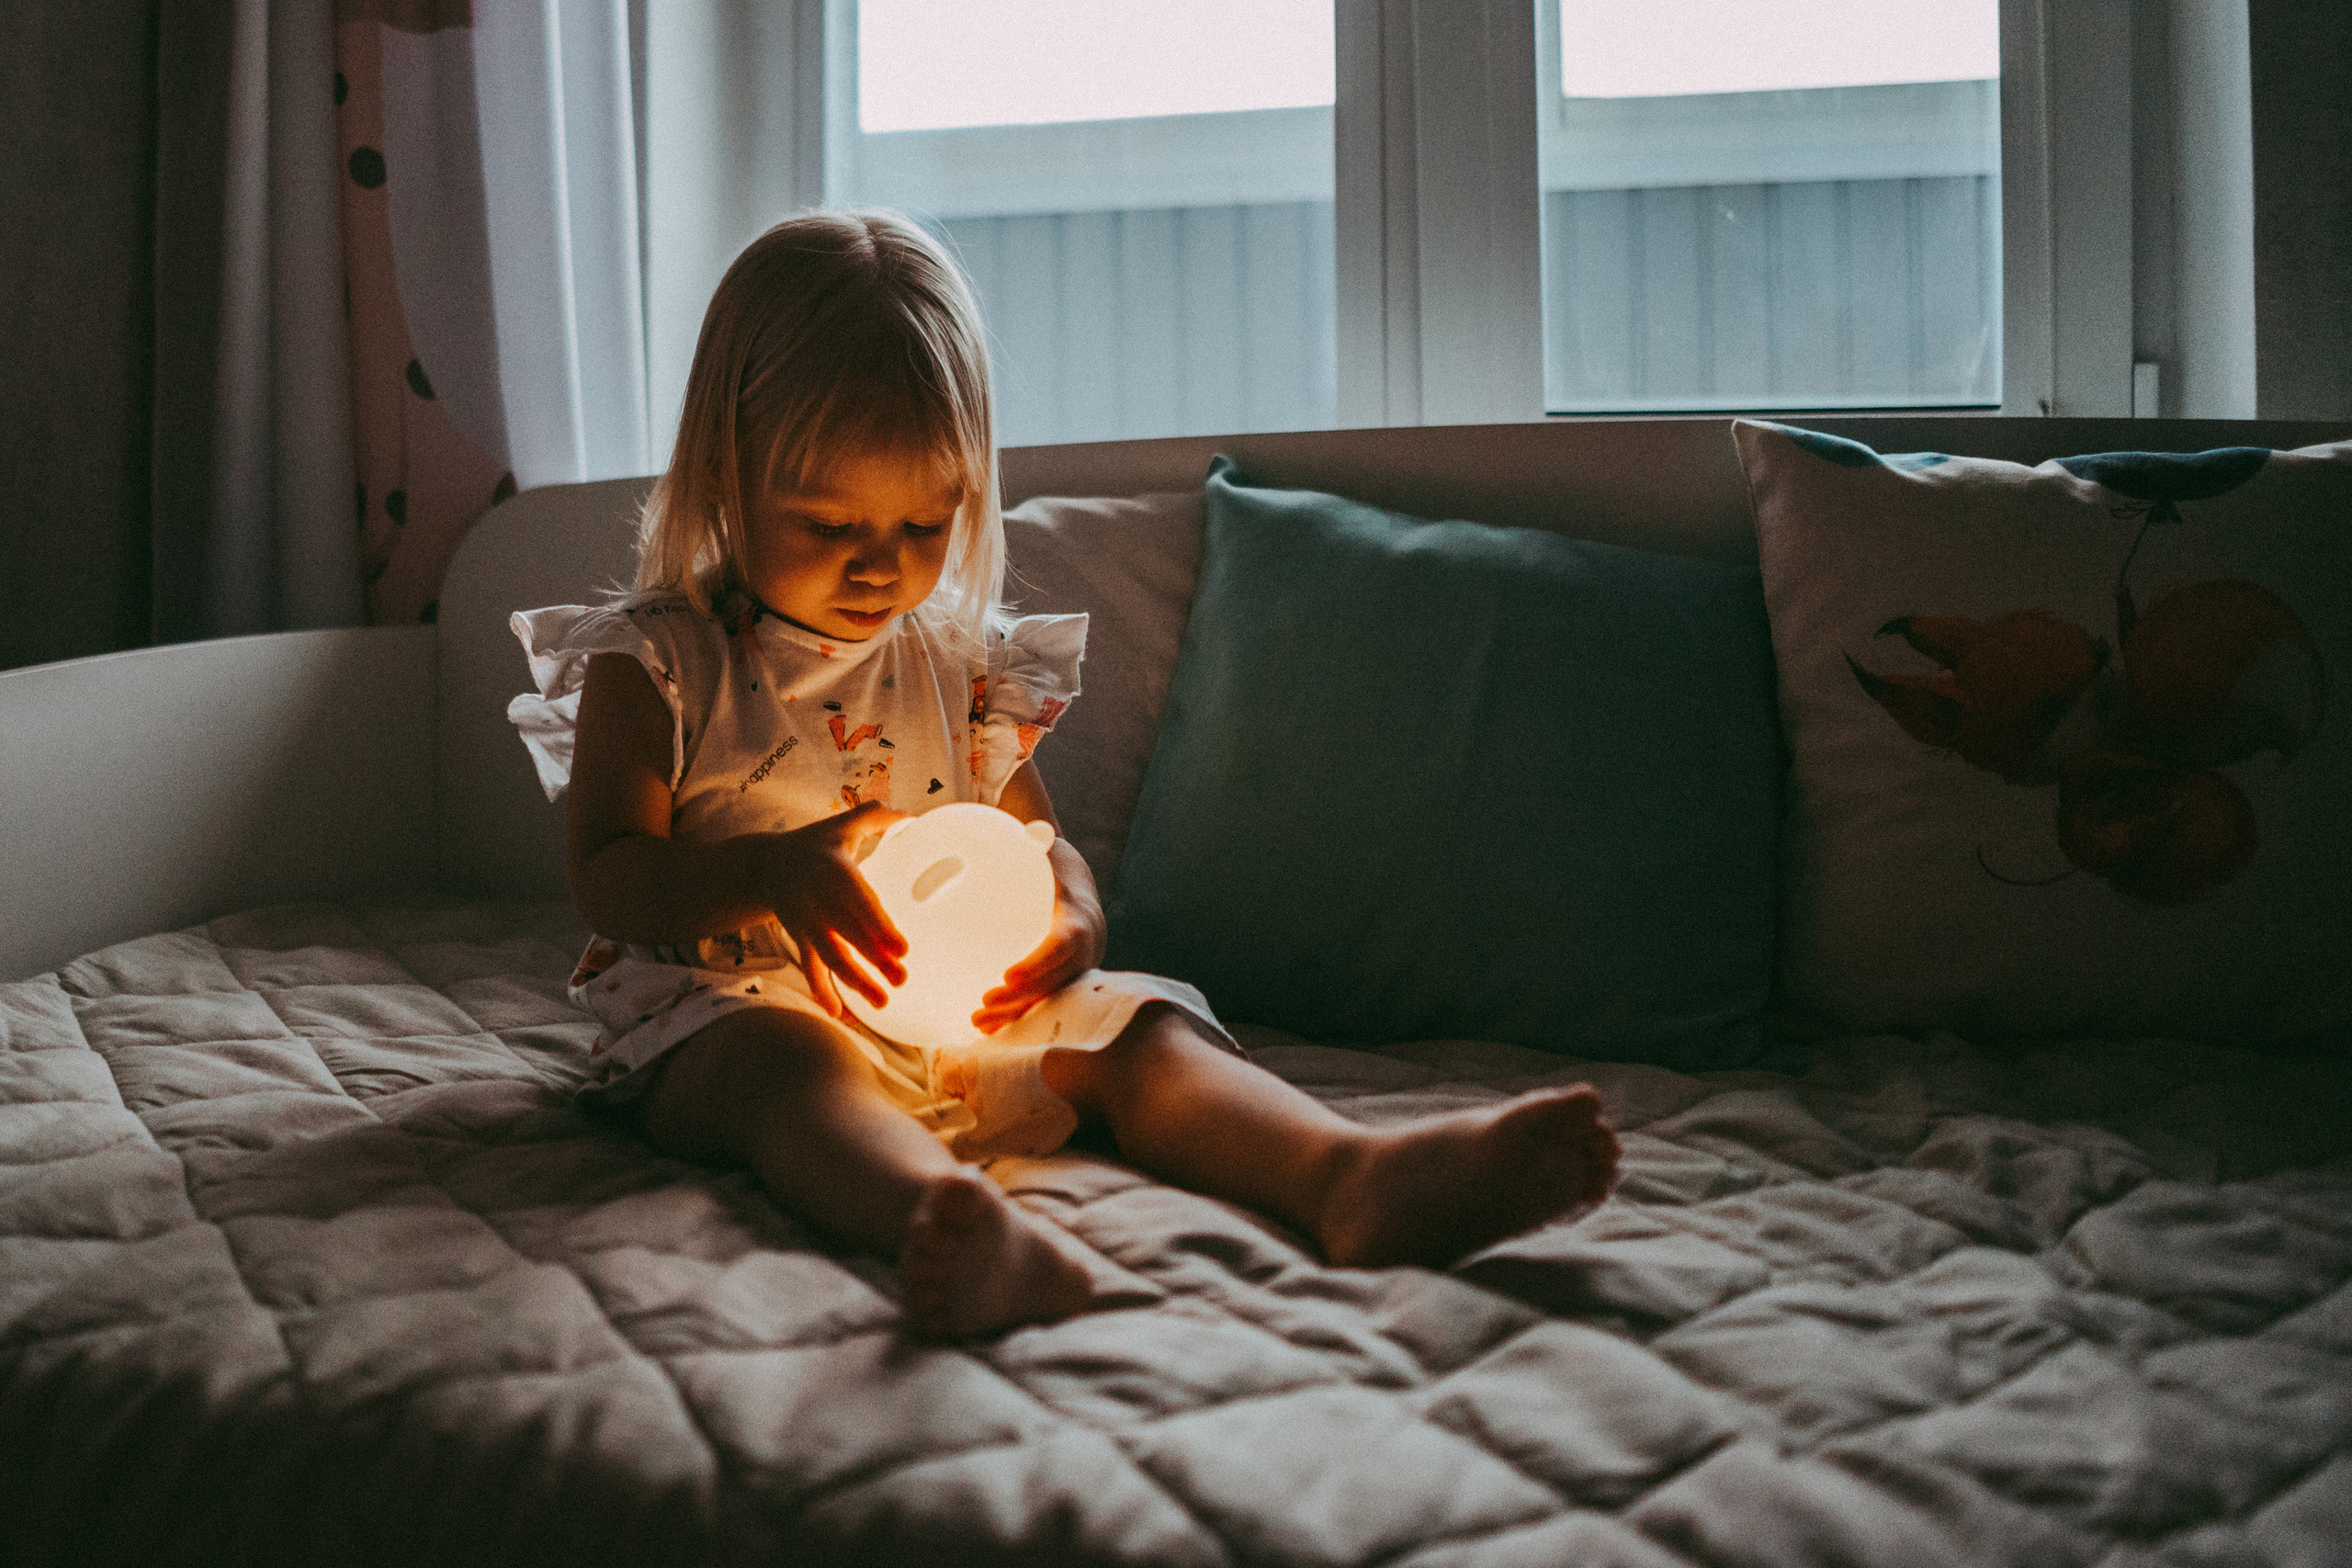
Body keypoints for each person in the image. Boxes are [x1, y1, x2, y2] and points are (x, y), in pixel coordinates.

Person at [509, 209, 1619, 1338]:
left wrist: (1075, 921)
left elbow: (1036, 845)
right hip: (726, 1010)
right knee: (786, 1070)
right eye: (828, 521)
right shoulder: (661, 660)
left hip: (951, 1018)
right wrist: (769, 877)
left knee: (1133, 1031)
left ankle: (1348, 1175)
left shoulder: (959, 664)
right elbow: (609, 878)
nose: (878, 561)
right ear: (724, 473)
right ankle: (941, 1219)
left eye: (923, 522)